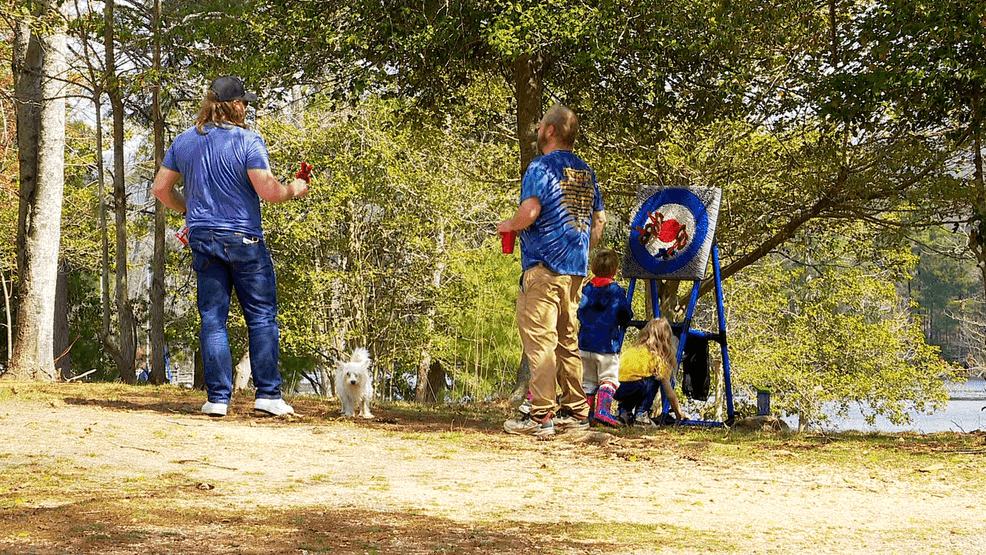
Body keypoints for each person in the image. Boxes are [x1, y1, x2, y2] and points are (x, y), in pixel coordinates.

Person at [152, 76, 309, 417]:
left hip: (203, 237)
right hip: (244, 240)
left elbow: (161, 190)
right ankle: (267, 394)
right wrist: (296, 187)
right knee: (262, 316)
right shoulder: (249, 141)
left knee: (213, 318)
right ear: (235, 105)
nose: (247, 108)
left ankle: (217, 399)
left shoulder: (184, 142)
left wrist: (189, 209)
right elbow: (269, 192)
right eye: (245, 103)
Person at [499, 104, 606, 436]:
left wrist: (509, 225)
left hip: (543, 268)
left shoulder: (540, 167)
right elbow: (598, 222)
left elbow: (530, 211)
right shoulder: (586, 172)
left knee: (540, 341)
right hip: (575, 272)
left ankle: (541, 416)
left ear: (549, 131)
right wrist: (580, 250)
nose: (538, 128)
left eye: (541, 124)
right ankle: (576, 412)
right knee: (566, 341)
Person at [577, 248, 632, 427]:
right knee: (609, 379)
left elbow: (579, 311)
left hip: (584, 343)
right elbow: (624, 313)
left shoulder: (586, 289)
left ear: (593, 268)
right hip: (607, 344)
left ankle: (585, 413)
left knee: (588, 382)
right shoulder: (616, 291)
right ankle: (603, 411)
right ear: (615, 270)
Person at [614, 318, 686, 427]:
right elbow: (669, 392)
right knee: (654, 381)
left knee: (635, 379)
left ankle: (623, 413)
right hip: (634, 388)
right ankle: (641, 415)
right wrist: (679, 413)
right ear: (666, 339)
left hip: (616, 389)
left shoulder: (633, 349)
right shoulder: (657, 357)